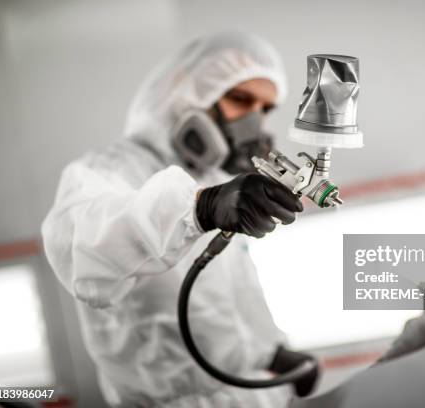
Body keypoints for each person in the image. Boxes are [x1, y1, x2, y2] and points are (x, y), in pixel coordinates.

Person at [42, 31, 318, 407]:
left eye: (265, 109)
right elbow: (81, 251)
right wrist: (199, 208)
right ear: (183, 91)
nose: (253, 122)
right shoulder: (111, 168)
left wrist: (271, 353)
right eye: (240, 99)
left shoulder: (215, 181)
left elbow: (228, 304)